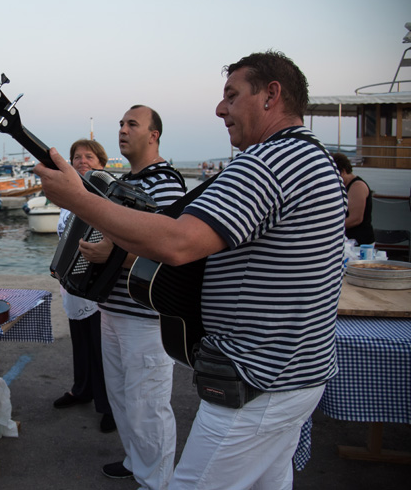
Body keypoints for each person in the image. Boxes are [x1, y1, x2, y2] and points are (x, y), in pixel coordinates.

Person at [34, 51, 346, 490]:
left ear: (271, 95)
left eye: (232, 96)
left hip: (258, 380)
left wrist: (79, 199)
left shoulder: (269, 161)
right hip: (294, 373)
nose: (220, 109)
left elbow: (178, 243)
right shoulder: (312, 157)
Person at [79, 107, 185, 488]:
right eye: (121, 124)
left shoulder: (167, 184)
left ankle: (157, 481)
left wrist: (115, 256)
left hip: (145, 315)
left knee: (148, 406)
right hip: (113, 308)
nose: (122, 130)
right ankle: (136, 461)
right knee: (123, 398)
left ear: (153, 135)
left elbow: (171, 253)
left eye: (132, 125)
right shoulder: (125, 181)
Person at [52, 138, 115, 434]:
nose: (81, 160)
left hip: (96, 286)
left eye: (89, 156)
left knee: (101, 347)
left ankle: (107, 405)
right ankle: (82, 389)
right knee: (79, 339)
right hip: (71, 284)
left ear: (101, 163)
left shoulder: (109, 196)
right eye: (76, 156)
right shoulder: (69, 197)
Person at [332, 152, 375, 245]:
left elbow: (355, 219)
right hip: (348, 239)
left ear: (343, 171)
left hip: (360, 242)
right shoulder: (343, 186)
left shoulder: (357, 186)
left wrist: (331, 227)